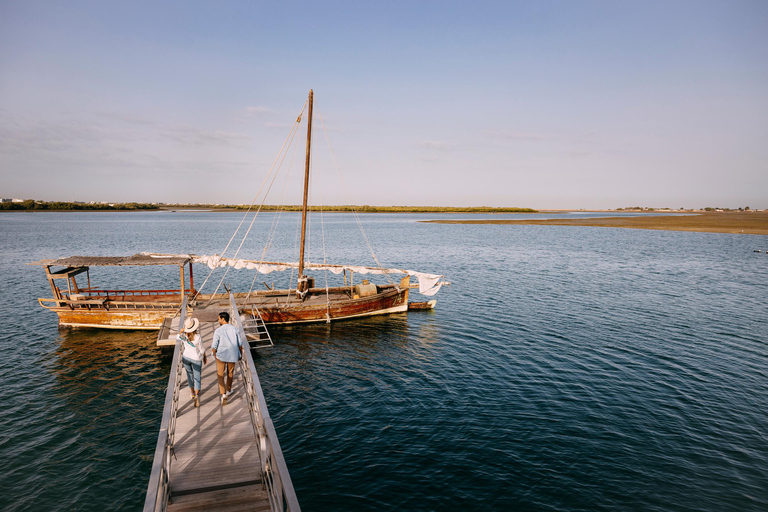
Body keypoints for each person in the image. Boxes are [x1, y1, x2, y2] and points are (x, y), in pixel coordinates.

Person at [212, 311, 243, 405]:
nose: (218, 320)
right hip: (233, 354)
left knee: (220, 374)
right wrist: (240, 354)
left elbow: (214, 345)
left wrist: (214, 354)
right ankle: (228, 390)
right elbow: (240, 344)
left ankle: (223, 394)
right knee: (230, 372)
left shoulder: (218, 330)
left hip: (221, 355)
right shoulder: (235, 329)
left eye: (218, 319)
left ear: (222, 319)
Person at [178, 317, 206, 407]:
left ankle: (192, 393)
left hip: (186, 357)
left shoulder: (183, 336)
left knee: (189, 375)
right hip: (197, 358)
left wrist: (181, 331)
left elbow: (177, 337)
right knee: (197, 377)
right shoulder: (198, 337)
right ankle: (197, 395)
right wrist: (204, 357)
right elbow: (201, 349)